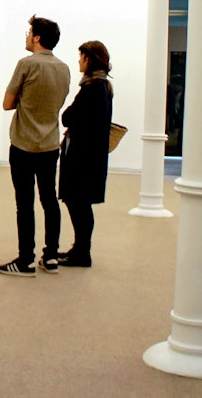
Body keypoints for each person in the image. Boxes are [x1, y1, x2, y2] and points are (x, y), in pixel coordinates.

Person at [0, 15, 71, 277]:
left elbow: (7, 104)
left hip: (23, 145)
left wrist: (22, 98)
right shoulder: (64, 68)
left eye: (29, 33)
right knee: (50, 200)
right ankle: (51, 257)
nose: (27, 37)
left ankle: (25, 260)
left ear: (37, 37)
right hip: (50, 145)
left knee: (25, 204)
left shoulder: (26, 64)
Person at [57, 41, 113, 268]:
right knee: (80, 203)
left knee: (78, 203)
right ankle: (80, 249)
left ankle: (82, 252)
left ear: (89, 59)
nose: (78, 61)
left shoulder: (93, 88)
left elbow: (68, 117)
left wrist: (70, 115)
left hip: (83, 158)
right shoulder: (100, 86)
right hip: (89, 156)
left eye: (81, 57)